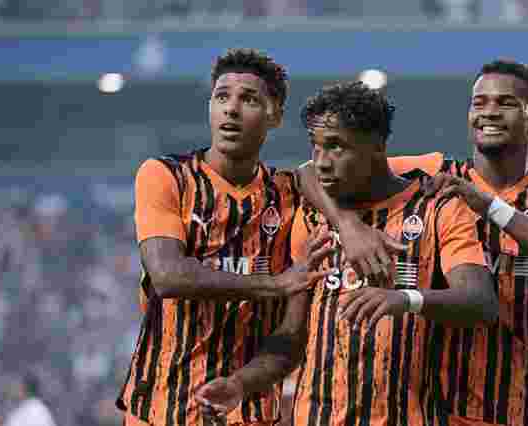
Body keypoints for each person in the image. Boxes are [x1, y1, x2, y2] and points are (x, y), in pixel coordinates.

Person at [304, 60, 528, 425]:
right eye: (479, 102)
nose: (489, 112)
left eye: (506, 103)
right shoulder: (434, 171)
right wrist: (349, 226)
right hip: (450, 409)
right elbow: (311, 171)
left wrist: (491, 206)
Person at [194, 81, 498, 426]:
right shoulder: (313, 217)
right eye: (316, 147)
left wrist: (406, 300)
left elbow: (481, 303)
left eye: (336, 146)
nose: (322, 162)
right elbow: (293, 336)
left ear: (377, 147)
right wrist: (239, 384)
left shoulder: (436, 210)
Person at [116, 48, 335, 426]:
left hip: (247, 412)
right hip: (160, 410)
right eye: (221, 97)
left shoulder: (292, 196)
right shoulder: (166, 176)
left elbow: (291, 339)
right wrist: (275, 284)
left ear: (275, 115)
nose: (231, 109)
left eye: (248, 99)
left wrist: (239, 384)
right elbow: (168, 276)